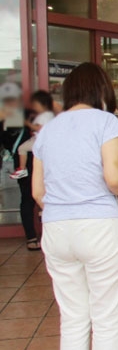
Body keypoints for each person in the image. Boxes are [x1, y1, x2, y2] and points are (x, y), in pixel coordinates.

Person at [31, 62, 118, 350]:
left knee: (72, 318)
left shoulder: (48, 129)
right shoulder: (106, 122)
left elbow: (37, 191)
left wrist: (65, 205)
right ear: (102, 90)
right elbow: (113, 178)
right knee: (106, 317)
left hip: (56, 229)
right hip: (98, 226)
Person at [0, 83, 41, 250]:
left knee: (32, 198)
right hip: (28, 163)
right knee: (29, 198)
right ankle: (31, 236)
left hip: (35, 161)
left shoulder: (27, 114)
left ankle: (34, 237)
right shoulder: (7, 119)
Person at [10, 90, 55, 179]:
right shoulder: (45, 114)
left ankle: (23, 169)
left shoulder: (46, 115)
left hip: (40, 140)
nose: (34, 107)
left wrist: (28, 123)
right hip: (37, 138)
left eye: (35, 105)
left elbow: (40, 128)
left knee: (22, 148)